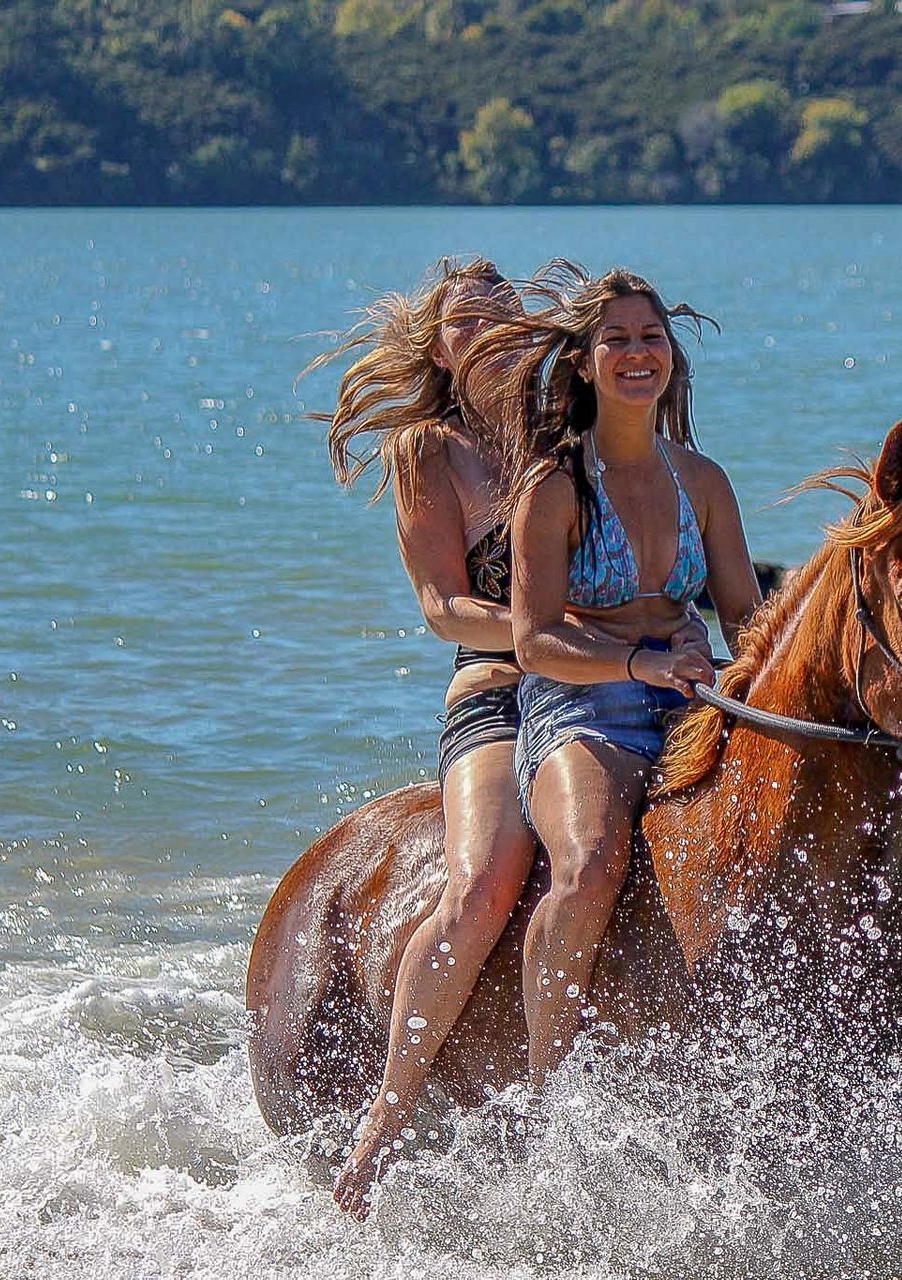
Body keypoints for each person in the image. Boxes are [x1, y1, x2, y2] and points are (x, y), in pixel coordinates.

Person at [461, 261, 762, 1084]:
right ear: (586, 362)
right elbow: (535, 643)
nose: (638, 353)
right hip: (581, 710)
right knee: (591, 862)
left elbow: (744, 616)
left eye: (652, 338)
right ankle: (548, 1091)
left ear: (672, 359)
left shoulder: (702, 481)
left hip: (691, 701)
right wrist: (641, 661)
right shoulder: (553, 489)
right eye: (617, 338)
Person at [308, 257, 539, 1216]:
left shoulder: (566, 433)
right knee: (485, 881)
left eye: (501, 317)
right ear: (438, 350)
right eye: (462, 324)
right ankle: (386, 1120)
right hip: (498, 692)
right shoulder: (427, 455)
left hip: (617, 684)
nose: (483, 334)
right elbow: (446, 609)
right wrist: (552, 638)